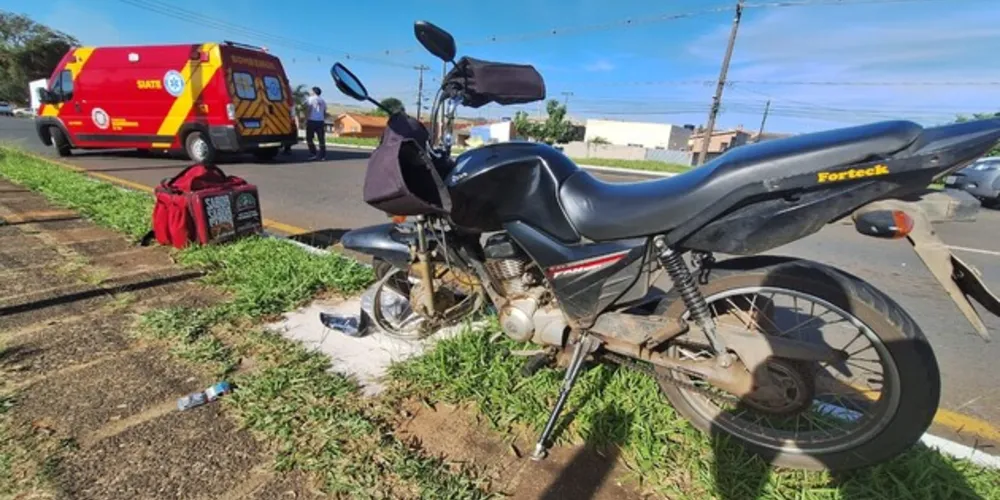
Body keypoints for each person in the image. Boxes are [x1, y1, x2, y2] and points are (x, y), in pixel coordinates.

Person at [305, 86, 327, 160]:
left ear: (314, 92)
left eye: (311, 91)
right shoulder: (323, 101)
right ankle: (322, 155)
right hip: (320, 121)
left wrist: (306, 119)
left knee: (309, 138)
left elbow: (309, 109)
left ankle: (313, 153)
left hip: (312, 120)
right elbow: (324, 112)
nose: (310, 92)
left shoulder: (310, 99)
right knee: (321, 139)